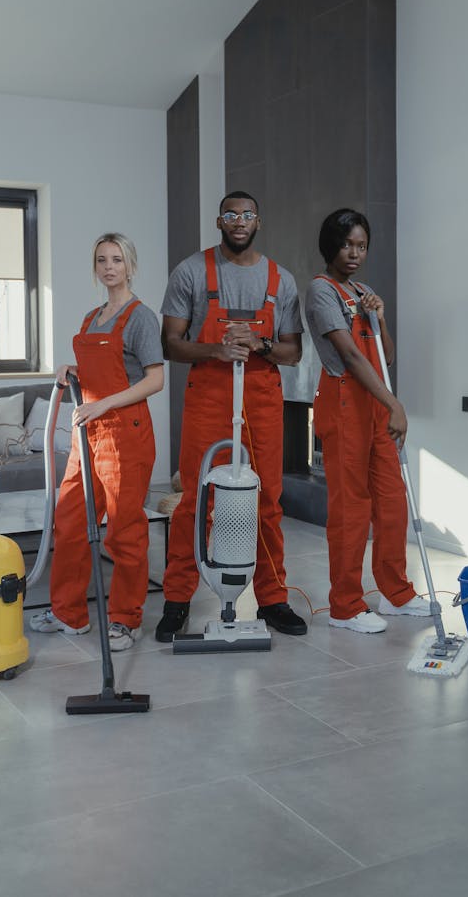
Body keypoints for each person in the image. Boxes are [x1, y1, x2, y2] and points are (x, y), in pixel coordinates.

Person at [155, 191, 307, 641]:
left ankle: (274, 599)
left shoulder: (282, 280)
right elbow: (171, 344)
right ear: (218, 221)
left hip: (261, 396)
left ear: (258, 221)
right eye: (230, 215)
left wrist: (259, 344)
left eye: (247, 215)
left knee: (268, 501)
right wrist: (217, 349)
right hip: (208, 393)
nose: (239, 221)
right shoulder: (191, 272)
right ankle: (177, 600)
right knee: (194, 501)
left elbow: (293, 351)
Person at [30, 233, 164, 651]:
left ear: (131, 266)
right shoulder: (92, 318)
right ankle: (69, 612)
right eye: (102, 260)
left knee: (123, 531)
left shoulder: (141, 317)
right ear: (96, 267)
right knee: (69, 522)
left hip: (126, 435)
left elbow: (155, 379)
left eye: (118, 260)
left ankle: (126, 619)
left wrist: (103, 403)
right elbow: (99, 370)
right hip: (88, 431)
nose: (110, 267)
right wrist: (74, 369)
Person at [304, 209, 430, 634]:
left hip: (375, 404)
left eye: (361, 246)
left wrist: (380, 317)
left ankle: (397, 593)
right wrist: (394, 403)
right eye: (346, 245)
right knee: (350, 507)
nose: (354, 253)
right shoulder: (321, 292)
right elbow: (351, 356)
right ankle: (345, 605)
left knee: (392, 500)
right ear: (330, 246)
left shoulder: (364, 291)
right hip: (344, 404)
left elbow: (385, 355)